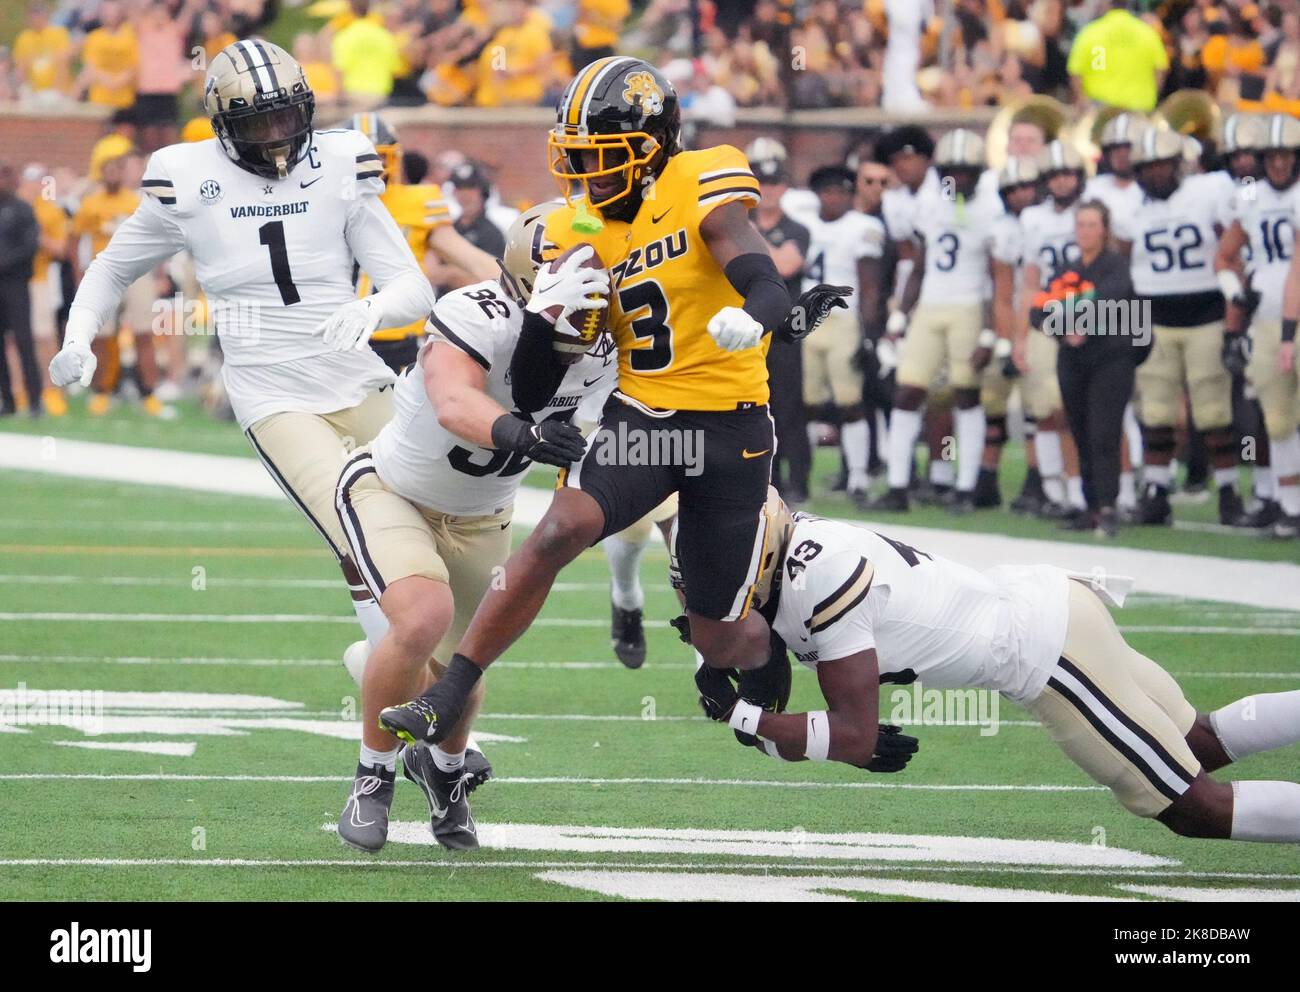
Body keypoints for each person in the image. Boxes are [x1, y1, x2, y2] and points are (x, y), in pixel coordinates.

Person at [379, 56, 812, 747]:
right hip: (644, 419)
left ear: (652, 148)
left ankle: (767, 663)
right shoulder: (577, 229)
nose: (588, 176)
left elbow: (761, 274)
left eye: (603, 158)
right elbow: (530, 390)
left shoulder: (701, 176)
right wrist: (546, 319)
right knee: (556, 531)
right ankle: (448, 693)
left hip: (731, 430)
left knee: (721, 633)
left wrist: (757, 317)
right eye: (577, 160)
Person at [48, 39, 434, 666]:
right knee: (356, 531)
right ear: (224, 123)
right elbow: (110, 269)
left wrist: (371, 309)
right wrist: (77, 335)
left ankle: (384, 663)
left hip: (358, 376)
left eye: (288, 115)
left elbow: (412, 286)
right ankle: (408, 686)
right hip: (273, 390)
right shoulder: (187, 177)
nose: (279, 135)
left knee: (431, 521)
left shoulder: (339, 162)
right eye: (260, 121)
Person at [695, 496, 1300, 845]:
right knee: (1196, 743)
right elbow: (777, 706)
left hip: (1045, 653)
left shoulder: (817, 579)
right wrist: (729, 681)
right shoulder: (794, 559)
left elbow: (851, 738)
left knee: (1191, 807)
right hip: (1048, 604)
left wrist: (739, 714)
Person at [333, 203, 613, 852]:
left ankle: (446, 775)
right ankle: (372, 777)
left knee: (467, 669)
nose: (589, 317)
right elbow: (455, 401)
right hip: (392, 492)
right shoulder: (475, 313)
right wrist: (523, 432)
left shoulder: (607, 345)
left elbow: (610, 429)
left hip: (485, 513)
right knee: (422, 618)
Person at [1114, 126, 1242, 527]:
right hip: (1154, 318)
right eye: (1147, 168)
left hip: (1205, 312)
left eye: (1162, 166)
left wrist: (1235, 315)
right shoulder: (1131, 210)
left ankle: (1227, 491)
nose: (1155, 174)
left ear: (1179, 166)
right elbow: (1122, 272)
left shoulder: (1207, 193)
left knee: (1213, 409)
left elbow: (1231, 249)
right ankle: (1156, 491)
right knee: (1156, 409)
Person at [874, 129, 1001, 514]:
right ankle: (897, 486)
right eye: (952, 171)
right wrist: (899, 315)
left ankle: (966, 487)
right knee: (907, 391)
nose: (958, 179)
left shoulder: (991, 208)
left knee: (965, 394)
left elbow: (998, 276)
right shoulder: (932, 204)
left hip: (968, 305)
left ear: (979, 172)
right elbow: (920, 264)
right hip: (930, 305)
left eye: (965, 171)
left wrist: (992, 331)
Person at [346, 112, 497, 373]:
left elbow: (468, 257)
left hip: (400, 338)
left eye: (379, 156)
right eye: (361, 158)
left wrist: (518, 280)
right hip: (342, 337)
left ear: (394, 156)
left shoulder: (418, 202)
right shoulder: (327, 202)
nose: (372, 166)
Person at [1050, 201, 1142, 539]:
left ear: (1104, 229)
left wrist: (1077, 320)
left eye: (1091, 224)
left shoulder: (1116, 265)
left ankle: (1107, 505)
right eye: (1081, 224)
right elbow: (1041, 309)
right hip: (1073, 359)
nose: (1085, 231)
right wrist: (1063, 328)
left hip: (1111, 358)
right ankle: (1089, 505)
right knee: (1080, 430)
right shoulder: (1067, 269)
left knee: (1104, 431)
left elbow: (1113, 298)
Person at [799, 164, 884, 508]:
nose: (834, 197)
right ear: (818, 194)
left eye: (841, 192)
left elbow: (870, 287)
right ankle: (803, 475)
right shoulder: (801, 221)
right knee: (806, 405)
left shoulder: (863, 228)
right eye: (828, 191)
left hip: (843, 320)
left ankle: (859, 478)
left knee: (851, 402)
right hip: (803, 318)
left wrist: (870, 335)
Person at [1016, 140, 1090, 522]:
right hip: (1046, 318)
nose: (1062, 183)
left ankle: (1085, 491)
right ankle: (1052, 489)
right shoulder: (1033, 219)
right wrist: (1019, 335)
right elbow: (1029, 280)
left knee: (1079, 409)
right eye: (1055, 176)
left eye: (1068, 174)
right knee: (1046, 409)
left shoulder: (1090, 212)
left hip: (1089, 315)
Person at [753, 155, 811, 504]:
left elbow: (786, 265)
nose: (768, 190)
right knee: (755, 403)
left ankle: (798, 480)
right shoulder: (740, 224)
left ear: (785, 187)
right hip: (749, 326)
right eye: (762, 183)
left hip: (786, 326)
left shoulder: (797, 228)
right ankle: (766, 477)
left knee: (789, 405)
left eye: (774, 183)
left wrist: (750, 237)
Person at [1067, 0, 1167, 113]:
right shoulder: (1148, 33)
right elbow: (1160, 70)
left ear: (1107, 4)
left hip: (1100, 110)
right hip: (1140, 109)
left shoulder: (1090, 33)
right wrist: (1152, 94)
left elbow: (1075, 73)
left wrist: (1082, 102)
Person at [0, 162, 40, 417]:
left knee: (24, 341)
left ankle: (35, 400)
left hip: (15, 283)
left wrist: (5, 262)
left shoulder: (22, 209)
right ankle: (8, 401)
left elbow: (30, 246)